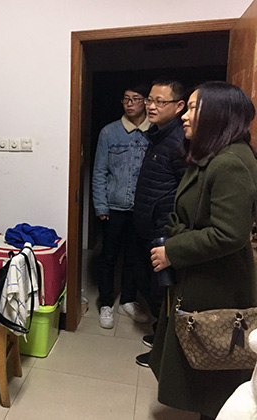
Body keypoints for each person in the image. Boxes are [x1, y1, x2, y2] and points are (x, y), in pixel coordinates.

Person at [150, 81, 257, 420]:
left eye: (194, 107)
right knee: (201, 361)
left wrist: (173, 250)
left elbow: (229, 233)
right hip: (202, 274)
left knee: (215, 358)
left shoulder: (231, 163)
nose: (185, 115)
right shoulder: (211, 156)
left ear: (218, 114)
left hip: (219, 283)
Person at [133, 78, 187, 367]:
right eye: (149, 100)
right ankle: (160, 337)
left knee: (163, 292)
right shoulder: (159, 135)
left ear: (179, 106)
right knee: (152, 287)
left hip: (164, 231)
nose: (151, 106)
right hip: (149, 227)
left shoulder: (180, 141)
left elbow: (184, 191)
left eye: (160, 102)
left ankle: (163, 354)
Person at [92, 84, 152, 329]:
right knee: (108, 256)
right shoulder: (109, 132)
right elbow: (99, 171)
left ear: (145, 102)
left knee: (134, 257)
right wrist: (100, 206)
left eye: (135, 99)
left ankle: (128, 300)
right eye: (126, 99)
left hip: (142, 208)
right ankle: (106, 303)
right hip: (114, 206)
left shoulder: (155, 132)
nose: (129, 103)